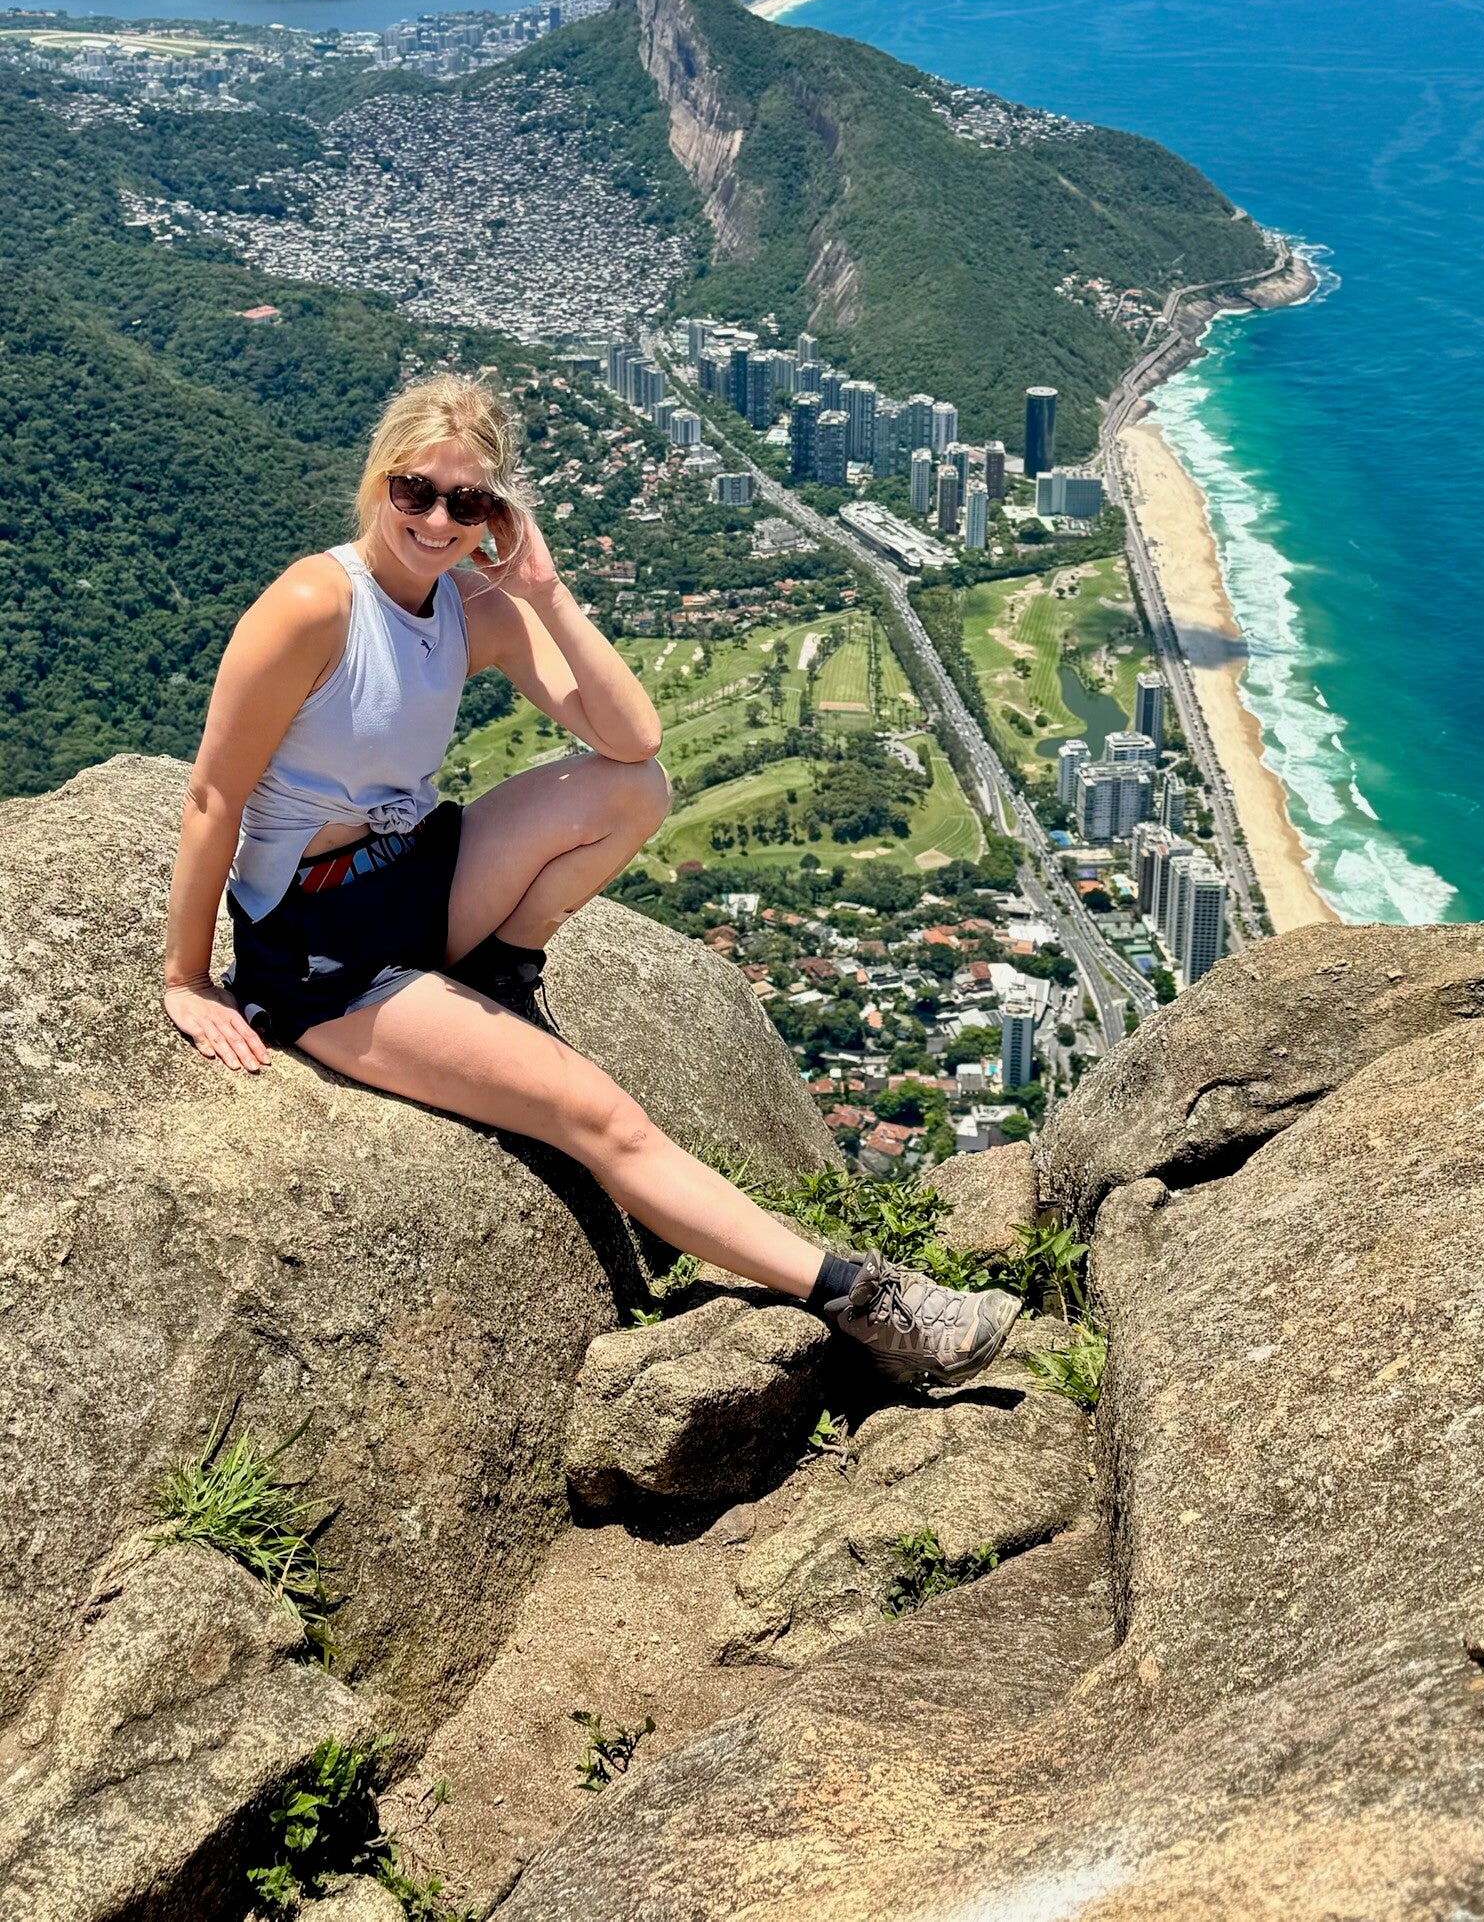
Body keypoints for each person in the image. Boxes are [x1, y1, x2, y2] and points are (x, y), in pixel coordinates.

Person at [164, 371, 1019, 1385]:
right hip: (324, 955)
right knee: (601, 1119)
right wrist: (189, 977)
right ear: (380, 481)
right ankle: (870, 1303)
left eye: (468, 501)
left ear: (496, 513)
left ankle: (499, 972)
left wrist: (543, 591)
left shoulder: (473, 606)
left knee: (633, 791)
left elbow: (632, 739)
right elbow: (213, 796)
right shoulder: (316, 605)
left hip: (418, 876)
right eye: (415, 491)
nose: (437, 521)